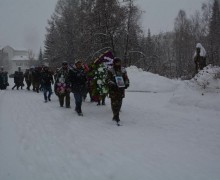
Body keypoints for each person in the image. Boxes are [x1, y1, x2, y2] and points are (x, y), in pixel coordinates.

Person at [107, 57, 129, 124]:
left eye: (119, 62)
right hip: (113, 90)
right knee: (114, 104)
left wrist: (126, 84)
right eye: (117, 62)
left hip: (121, 90)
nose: (118, 63)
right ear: (114, 63)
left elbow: (126, 78)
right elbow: (108, 79)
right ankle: (116, 116)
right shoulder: (110, 70)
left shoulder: (123, 70)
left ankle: (116, 115)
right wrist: (113, 84)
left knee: (119, 103)